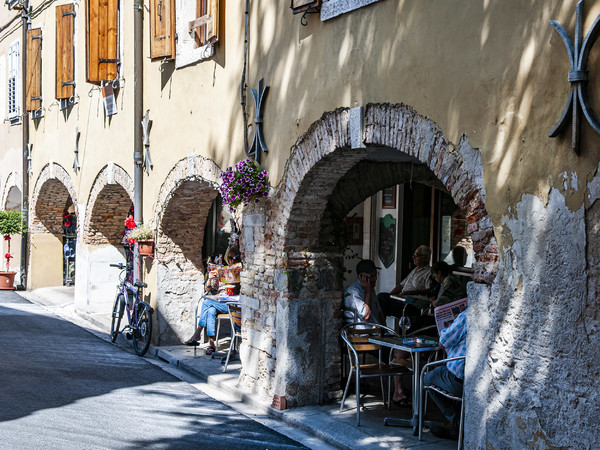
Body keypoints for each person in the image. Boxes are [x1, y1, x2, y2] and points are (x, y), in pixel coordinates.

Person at [183, 246, 241, 354]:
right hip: (220, 303)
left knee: (206, 303)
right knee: (210, 310)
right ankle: (212, 344)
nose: (231, 261)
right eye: (230, 258)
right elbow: (208, 289)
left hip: (233, 304)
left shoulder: (241, 272)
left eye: (234, 258)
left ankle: (197, 333)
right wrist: (210, 279)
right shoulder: (223, 270)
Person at [424, 308, 467, 437]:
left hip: (459, 380)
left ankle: (456, 421)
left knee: (427, 378)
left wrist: (455, 321)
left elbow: (443, 342)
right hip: (474, 380)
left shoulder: (466, 316)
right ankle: (459, 420)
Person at [378, 245, 436, 318]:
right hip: (402, 299)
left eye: (416, 255)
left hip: (413, 304)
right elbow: (401, 285)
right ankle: (380, 325)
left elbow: (429, 290)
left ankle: (380, 327)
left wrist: (411, 292)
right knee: (382, 298)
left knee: (381, 305)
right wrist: (390, 296)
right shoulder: (414, 270)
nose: (413, 257)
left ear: (425, 258)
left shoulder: (429, 272)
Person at [343, 259, 384, 324]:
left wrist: (385, 331)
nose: (375, 278)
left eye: (376, 275)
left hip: (376, 330)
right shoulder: (353, 291)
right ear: (362, 276)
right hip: (363, 333)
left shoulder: (371, 289)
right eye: (372, 276)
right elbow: (366, 316)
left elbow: (379, 312)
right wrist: (368, 292)